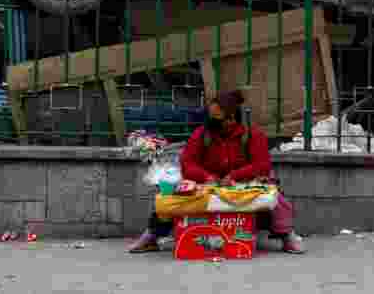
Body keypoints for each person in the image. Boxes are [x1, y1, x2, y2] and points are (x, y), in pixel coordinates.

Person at [127, 90, 304, 254]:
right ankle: (152, 235)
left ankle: (286, 235)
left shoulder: (253, 135)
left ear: (231, 119)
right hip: (208, 185)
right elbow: (187, 163)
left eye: (218, 118)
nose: (213, 122)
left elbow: (262, 165)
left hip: (244, 185)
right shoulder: (202, 134)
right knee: (170, 199)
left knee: (276, 199)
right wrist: (207, 177)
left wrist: (235, 176)